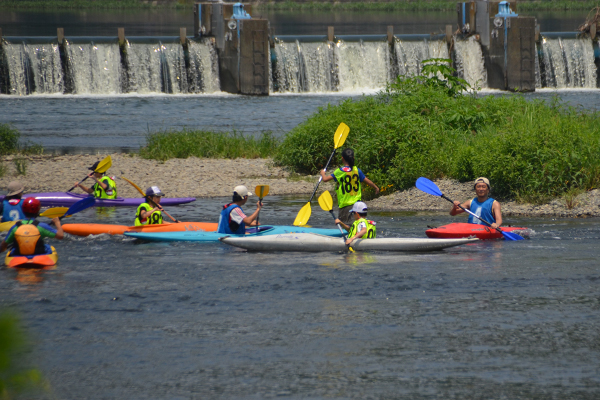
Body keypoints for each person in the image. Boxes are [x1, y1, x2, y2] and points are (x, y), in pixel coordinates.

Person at [320, 148, 379, 226]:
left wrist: (322, 173)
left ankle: (349, 237)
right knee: (357, 224)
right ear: (353, 158)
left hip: (345, 204)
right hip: (358, 204)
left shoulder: (340, 171)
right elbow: (366, 180)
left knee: (345, 226)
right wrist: (375, 187)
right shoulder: (357, 170)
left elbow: (325, 179)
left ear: (342, 159)